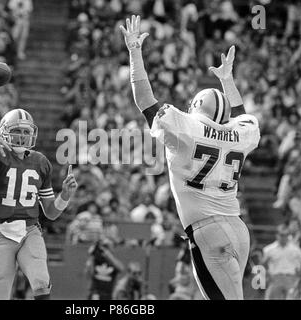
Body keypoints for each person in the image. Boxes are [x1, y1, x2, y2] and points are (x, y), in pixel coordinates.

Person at [120, 16, 260, 299]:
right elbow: (242, 115)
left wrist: (135, 52)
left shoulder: (186, 126)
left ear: (196, 105)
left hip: (208, 231)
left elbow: (145, 102)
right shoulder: (241, 132)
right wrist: (228, 81)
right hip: (238, 229)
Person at [0, 108, 78, 300]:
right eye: (17, 131)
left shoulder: (41, 162)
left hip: (30, 231)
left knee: (41, 282)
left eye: (26, 132)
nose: (22, 136)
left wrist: (65, 195)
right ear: (4, 132)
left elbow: (51, 213)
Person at [262, 225, 301, 300]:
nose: (284, 237)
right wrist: (267, 275)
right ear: (277, 235)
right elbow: (263, 264)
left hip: (291, 279)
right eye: (282, 235)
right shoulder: (268, 249)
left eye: (286, 235)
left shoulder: (295, 249)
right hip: (275, 279)